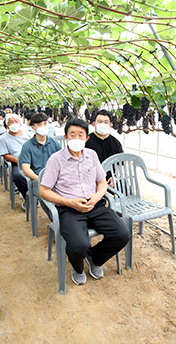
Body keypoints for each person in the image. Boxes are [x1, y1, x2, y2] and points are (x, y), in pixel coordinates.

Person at [39, 118, 130, 286]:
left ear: (86, 138)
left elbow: (102, 182)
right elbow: (44, 191)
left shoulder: (92, 155)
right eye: (72, 134)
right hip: (69, 209)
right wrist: (69, 202)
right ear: (65, 137)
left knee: (122, 234)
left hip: (94, 204)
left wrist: (96, 197)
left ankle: (94, 258)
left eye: (80, 135)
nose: (76, 138)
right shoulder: (56, 159)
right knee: (79, 245)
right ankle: (78, 267)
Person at [0, 114, 32, 206]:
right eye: (11, 122)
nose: (14, 123)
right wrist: (20, 161)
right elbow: (6, 155)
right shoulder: (3, 138)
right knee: (17, 176)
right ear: (7, 125)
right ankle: (27, 197)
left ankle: (38, 196)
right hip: (17, 162)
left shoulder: (29, 134)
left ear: (20, 123)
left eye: (16, 121)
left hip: (32, 160)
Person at [19, 112, 61, 182]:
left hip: (54, 177)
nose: (43, 126)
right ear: (33, 128)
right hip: (37, 178)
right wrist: (39, 179)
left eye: (45, 124)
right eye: (39, 125)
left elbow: (62, 162)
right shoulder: (27, 146)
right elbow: (26, 168)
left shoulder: (55, 143)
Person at [85, 109, 123, 185]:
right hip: (91, 180)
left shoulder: (116, 143)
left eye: (106, 122)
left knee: (127, 190)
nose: (103, 124)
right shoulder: (86, 141)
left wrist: (115, 176)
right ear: (94, 123)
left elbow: (120, 164)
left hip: (111, 179)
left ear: (110, 125)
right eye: (99, 121)